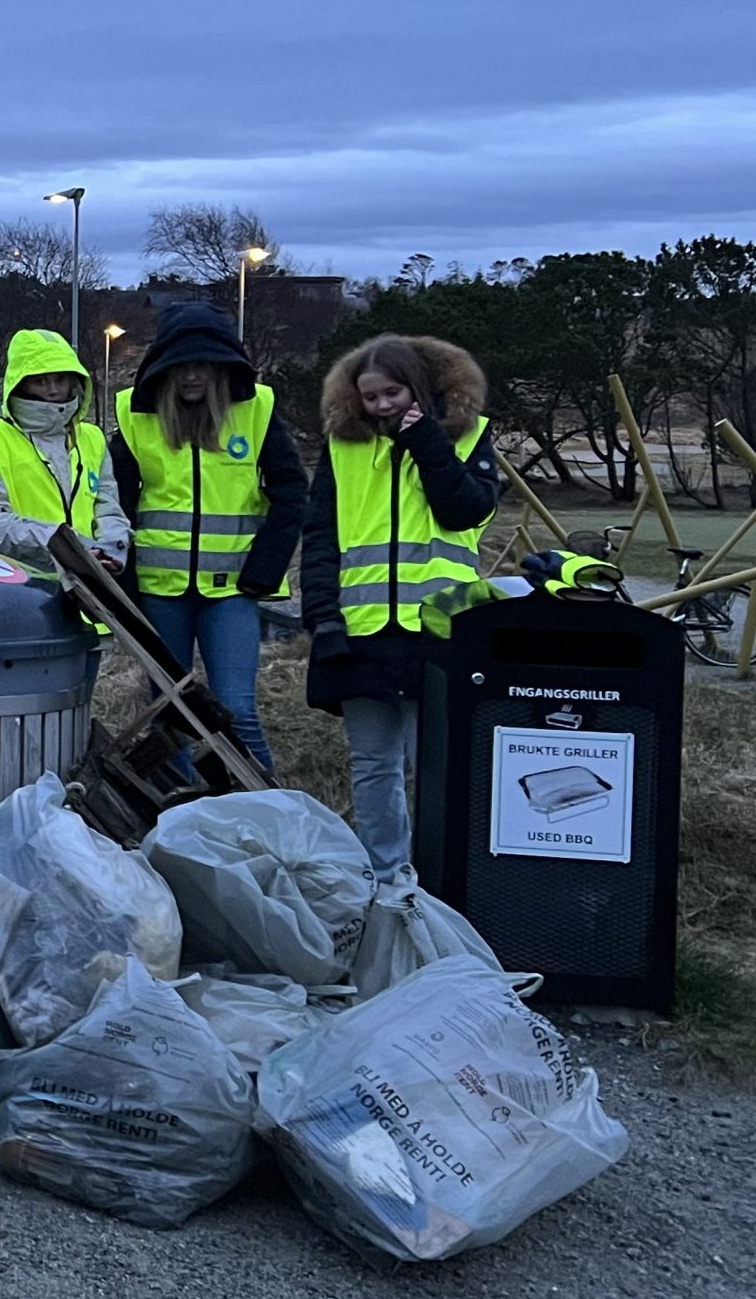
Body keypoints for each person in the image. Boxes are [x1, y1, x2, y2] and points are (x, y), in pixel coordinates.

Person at [302, 333, 499, 877]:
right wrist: (321, 616)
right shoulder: (343, 449)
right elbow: (320, 538)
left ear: (420, 386)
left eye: (394, 392)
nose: (384, 405)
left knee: (434, 766)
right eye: (372, 397)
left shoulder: (468, 437)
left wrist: (428, 442)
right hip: (361, 633)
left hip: (439, 633)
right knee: (372, 765)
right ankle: (385, 879)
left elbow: (467, 510)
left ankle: (441, 874)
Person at [111, 302, 308, 772]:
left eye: (202, 365)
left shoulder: (258, 409)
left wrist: (264, 570)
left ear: (221, 366)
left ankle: (265, 808)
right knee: (170, 710)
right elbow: (114, 501)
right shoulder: (133, 414)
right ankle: (179, 813)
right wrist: (128, 578)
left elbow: (292, 492)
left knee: (236, 709)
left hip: (235, 590)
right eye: (181, 365)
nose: (192, 376)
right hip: (160, 591)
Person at [0, 328, 133, 584]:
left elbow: (108, 507)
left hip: (93, 592)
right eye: (40, 380)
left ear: (74, 380)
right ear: (19, 383)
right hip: (17, 592)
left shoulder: (92, 437)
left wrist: (112, 548)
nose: (53, 389)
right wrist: (69, 548)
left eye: (60, 378)